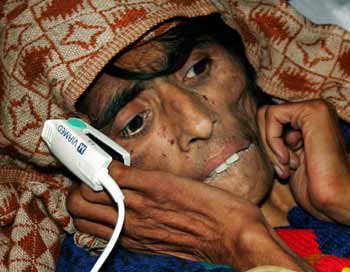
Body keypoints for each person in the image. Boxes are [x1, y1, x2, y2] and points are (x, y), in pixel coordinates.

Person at [1, 1, 349, 272]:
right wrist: (246, 244)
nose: (199, 122)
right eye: (136, 122)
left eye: (198, 69)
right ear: (87, 159)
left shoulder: (331, 144)